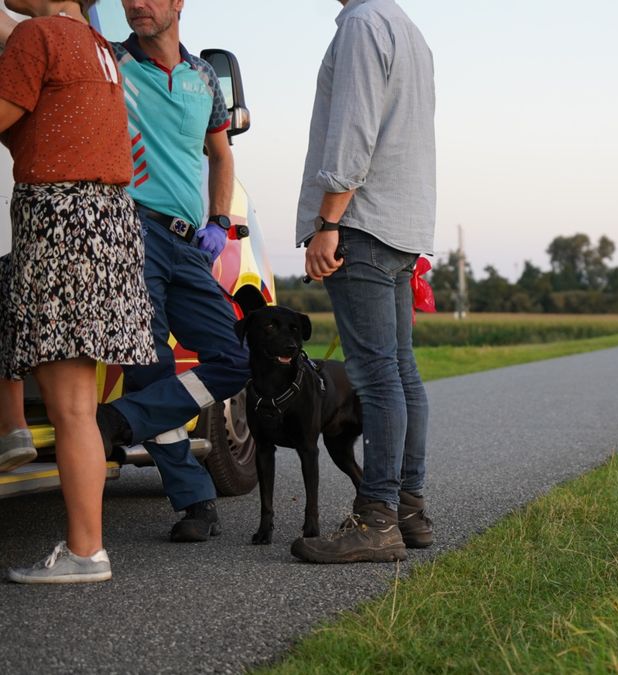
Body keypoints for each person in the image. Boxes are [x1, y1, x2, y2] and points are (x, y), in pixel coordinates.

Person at [0, 0, 156, 583]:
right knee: (79, 409)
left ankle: (86, 553)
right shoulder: (93, 43)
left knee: (68, 408)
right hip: (106, 221)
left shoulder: (38, 37)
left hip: (59, 220)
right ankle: (85, 549)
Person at [83, 0, 249, 543]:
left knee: (234, 360)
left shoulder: (204, 76)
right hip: (131, 228)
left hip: (189, 242)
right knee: (151, 366)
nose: (136, 4)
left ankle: (122, 420)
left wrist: (220, 221)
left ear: (179, 2)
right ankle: (194, 500)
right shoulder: (111, 62)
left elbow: (220, 155)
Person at [290, 0, 436, 564]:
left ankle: (376, 519)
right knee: (400, 372)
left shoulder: (361, 23)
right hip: (400, 226)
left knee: (376, 377)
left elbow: (354, 134)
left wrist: (329, 222)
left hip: (363, 223)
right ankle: (408, 510)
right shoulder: (408, 29)